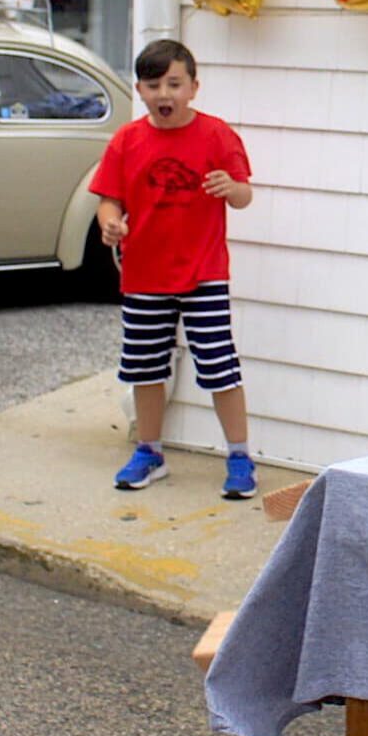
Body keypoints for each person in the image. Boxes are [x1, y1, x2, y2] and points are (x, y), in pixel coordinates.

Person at [91, 38, 258, 498]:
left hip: (204, 274)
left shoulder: (217, 135)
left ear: (193, 88)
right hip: (144, 274)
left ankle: (241, 456)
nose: (164, 93)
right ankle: (150, 451)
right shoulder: (127, 140)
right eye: (152, 84)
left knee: (220, 367)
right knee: (146, 369)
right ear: (140, 90)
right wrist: (111, 226)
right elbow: (109, 200)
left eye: (174, 83)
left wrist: (231, 188)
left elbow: (244, 195)